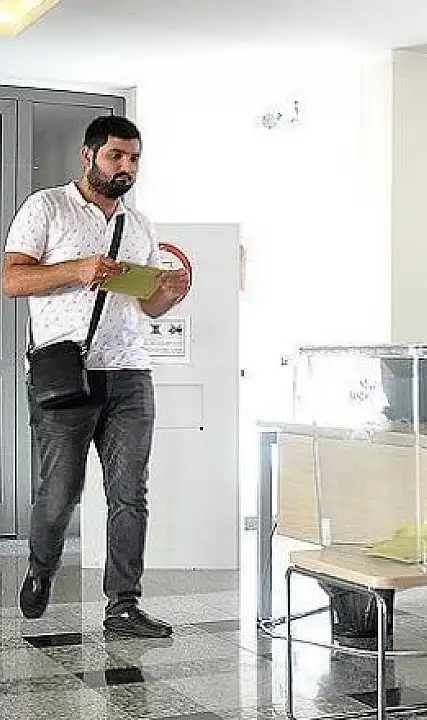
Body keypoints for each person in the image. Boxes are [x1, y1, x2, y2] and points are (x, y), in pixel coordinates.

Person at [3, 116, 190, 638]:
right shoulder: (46, 207)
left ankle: (123, 605)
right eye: (116, 156)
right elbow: (12, 279)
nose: (126, 166)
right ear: (89, 156)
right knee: (60, 492)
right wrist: (76, 269)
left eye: (134, 159)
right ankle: (41, 568)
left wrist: (170, 294)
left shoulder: (139, 225)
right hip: (67, 372)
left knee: (130, 494)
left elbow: (148, 305)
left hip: (129, 374)